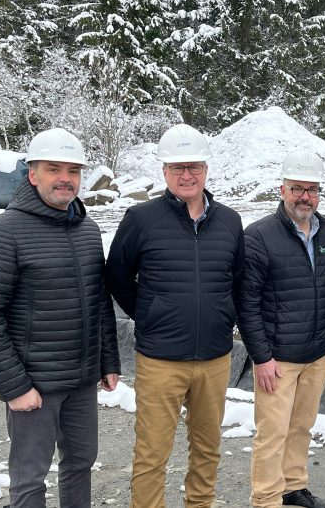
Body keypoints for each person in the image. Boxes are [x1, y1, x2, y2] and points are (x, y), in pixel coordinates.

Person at [106, 123, 248, 507]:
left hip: (215, 358)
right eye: (177, 168)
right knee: (152, 453)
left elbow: (238, 280)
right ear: (164, 171)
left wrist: (225, 316)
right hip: (160, 360)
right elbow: (117, 276)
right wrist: (150, 314)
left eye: (194, 167)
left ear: (206, 169)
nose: (187, 175)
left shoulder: (230, 221)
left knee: (208, 448)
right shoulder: (141, 219)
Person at [0, 128, 121, 507]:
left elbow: (99, 300)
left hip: (81, 382)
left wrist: (108, 361)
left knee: (80, 463)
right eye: (53, 169)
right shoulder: (2, 233)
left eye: (73, 171)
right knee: (30, 478)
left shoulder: (88, 230)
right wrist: (15, 387)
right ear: (32, 174)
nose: (65, 178)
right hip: (34, 385)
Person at [238, 152, 325, 508]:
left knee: (301, 426)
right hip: (277, 358)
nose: (304, 197)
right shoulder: (259, 236)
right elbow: (247, 303)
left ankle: (293, 487)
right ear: (283, 190)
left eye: (311, 190)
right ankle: (266, 498)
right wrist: (261, 357)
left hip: (317, 352)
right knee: (273, 432)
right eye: (297, 189)